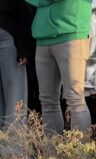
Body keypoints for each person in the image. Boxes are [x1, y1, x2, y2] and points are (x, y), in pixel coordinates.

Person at [26, 0, 92, 135]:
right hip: (43, 36)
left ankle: (81, 155)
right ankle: (52, 155)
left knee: (75, 99)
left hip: (72, 32)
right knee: (47, 101)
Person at [0, 0, 35, 129]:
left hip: (10, 32)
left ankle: (14, 146)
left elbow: (26, 6)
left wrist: (25, 46)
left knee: (14, 91)